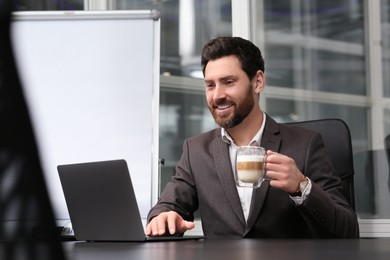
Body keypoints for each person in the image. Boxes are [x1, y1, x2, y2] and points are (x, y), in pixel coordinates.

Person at [146, 36, 359, 239]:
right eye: (210, 85)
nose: (217, 95)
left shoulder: (305, 144)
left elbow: (347, 231)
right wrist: (163, 217)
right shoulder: (196, 150)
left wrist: (301, 186)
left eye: (228, 82)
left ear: (257, 82)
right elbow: (167, 207)